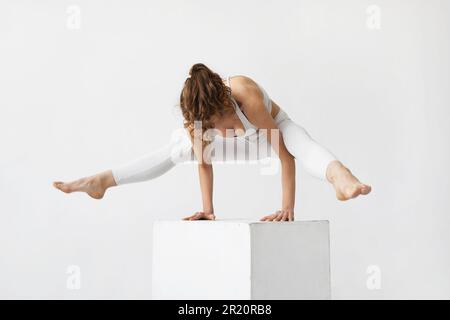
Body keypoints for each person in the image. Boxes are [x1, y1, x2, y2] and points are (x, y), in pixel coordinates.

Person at [54, 63, 371, 222]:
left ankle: (340, 177)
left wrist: (287, 208)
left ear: (225, 99)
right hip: (242, 148)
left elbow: (285, 157)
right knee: (180, 148)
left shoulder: (245, 94)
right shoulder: (195, 119)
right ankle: (101, 181)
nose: (217, 129)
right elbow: (204, 163)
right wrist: (208, 209)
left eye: (219, 119)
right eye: (210, 125)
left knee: (297, 139)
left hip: (269, 136)